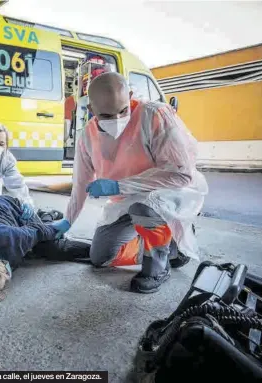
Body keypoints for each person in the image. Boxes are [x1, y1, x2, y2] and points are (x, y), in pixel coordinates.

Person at [59, 72, 208, 294]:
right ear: (91, 110)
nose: (118, 120)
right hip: (126, 199)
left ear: (129, 96)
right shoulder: (88, 136)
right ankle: (170, 244)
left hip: (167, 192)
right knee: (100, 257)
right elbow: (80, 184)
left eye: (123, 110)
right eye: (107, 115)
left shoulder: (154, 116)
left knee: (145, 209)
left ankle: (158, 266)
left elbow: (181, 174)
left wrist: (118, 186)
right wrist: (66, 222)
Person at [0, 195, 89, 306]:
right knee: (31, 250)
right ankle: (43, 217)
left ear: (2, 264)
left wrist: (61, 227)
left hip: (11, 207)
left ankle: (47, 215)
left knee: (49, 247)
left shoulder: (13, 238)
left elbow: (40, 231)